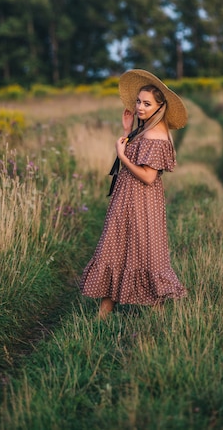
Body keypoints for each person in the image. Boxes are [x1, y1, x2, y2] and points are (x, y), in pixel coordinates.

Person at [80, 69, 188, 318]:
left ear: (160, 106)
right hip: (129, 199)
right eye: (139, 101)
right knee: (115, 247)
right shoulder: (146, 130)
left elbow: (148, 176)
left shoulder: (156, 137)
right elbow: (137, 156)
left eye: (147, 103)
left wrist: (121, 156)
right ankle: (104, 312)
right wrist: (128, 130)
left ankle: (156, 311)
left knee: (143, 250)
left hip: (140, 201)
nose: (139, 107)